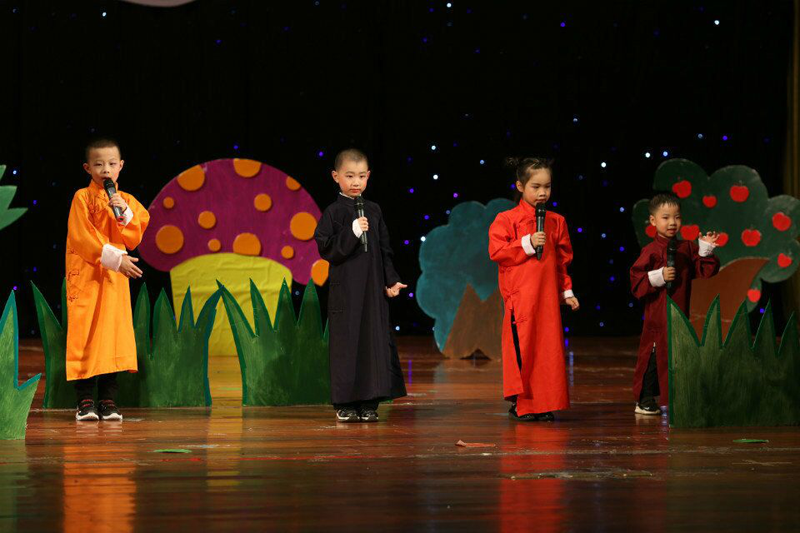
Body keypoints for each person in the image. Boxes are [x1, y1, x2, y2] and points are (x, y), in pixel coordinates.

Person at [313, 149, 407, 423]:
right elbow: (326, 247)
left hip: (373, 292)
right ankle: (346, 402)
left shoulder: (374, 210)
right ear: (336, 177)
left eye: (361, 176)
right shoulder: (333, 212)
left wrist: (390, 281)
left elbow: (385, 249)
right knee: (347, 345)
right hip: (346, 293)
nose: (356, 182)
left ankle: (369, 401)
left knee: (372, 343)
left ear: (368, 177)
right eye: (349, 176)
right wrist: (352, 231)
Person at [488, 157, 579, 422]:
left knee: (547, 351)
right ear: (520, 186)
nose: (542, 193)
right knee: (523, 349)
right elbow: (497, 251)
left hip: (547, 299)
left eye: (547, 187)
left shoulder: (556, 221)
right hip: (521, 298)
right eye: (535, 187)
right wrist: (526, 242)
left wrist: (567, 291)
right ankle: (522, 403)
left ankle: (545, 402)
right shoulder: (506, 219)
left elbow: (562, 261)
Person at [66, 137, 150, 421]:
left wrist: (122, 212)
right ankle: (85, 400)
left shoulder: (125, 202)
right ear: (87, 168)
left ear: (120, 167)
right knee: (88, 336)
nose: (106, 170)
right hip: (89, 277)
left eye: (112, 164)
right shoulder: (82, 197)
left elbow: (135, 235)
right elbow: (81, 237)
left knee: (113, 336)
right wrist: (117, 260)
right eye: (99, 164)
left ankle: (109, 400)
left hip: (115, 281)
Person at [630, 192, 720, 415]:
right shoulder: (650, 251)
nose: (672, 222)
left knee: (679, 354)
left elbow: (704, 270)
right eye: (665, 217)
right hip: (658, 314)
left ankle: (679, 397)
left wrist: (706, 249)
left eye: (677, 217)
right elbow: (637, 280)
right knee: (653, 354)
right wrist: (660, 275)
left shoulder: (686, 248)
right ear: (653, 221)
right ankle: (644, 398)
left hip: (680, 311)